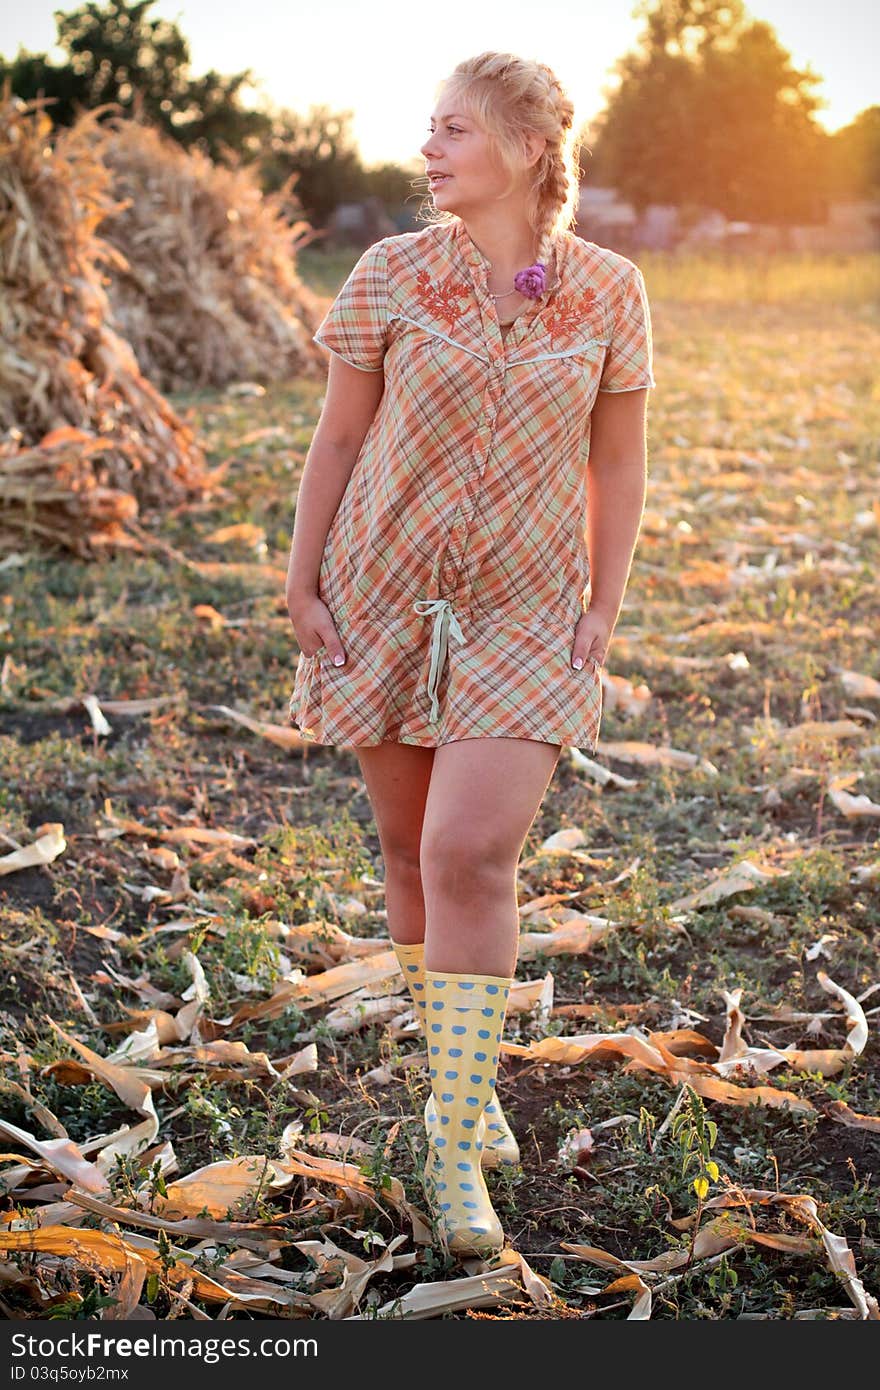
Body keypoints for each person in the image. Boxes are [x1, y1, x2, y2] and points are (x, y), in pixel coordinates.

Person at [285, 51, 655, 1260]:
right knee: (405, 849)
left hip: (526, 607)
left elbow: (616, 464)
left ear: (527, 147)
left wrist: (602, 604)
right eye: (429, 129)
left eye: (454, 130)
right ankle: (467, 1078)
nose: (429, 148)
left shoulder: (607, 292)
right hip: (380, 592)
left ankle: (449, 1150)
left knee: (467, 850)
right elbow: (337, 442)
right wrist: (302, 581)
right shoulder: (388, 274)